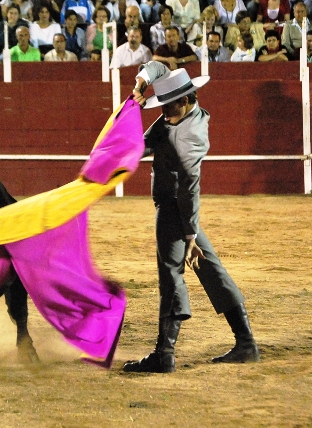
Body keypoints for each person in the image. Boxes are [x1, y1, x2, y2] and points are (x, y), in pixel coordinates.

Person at [122, 61, 260, 373]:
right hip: (175, 208)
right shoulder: (179, 115)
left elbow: (189, 189)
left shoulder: (186, 140)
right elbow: (158, 67)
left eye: (166, 107)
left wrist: (189, 236)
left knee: (171, 276)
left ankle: (164, 354)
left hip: (174, 208)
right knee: (209, 267)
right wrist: (139, 87)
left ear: (184, 101)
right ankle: (246, 342)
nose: (162, 112)